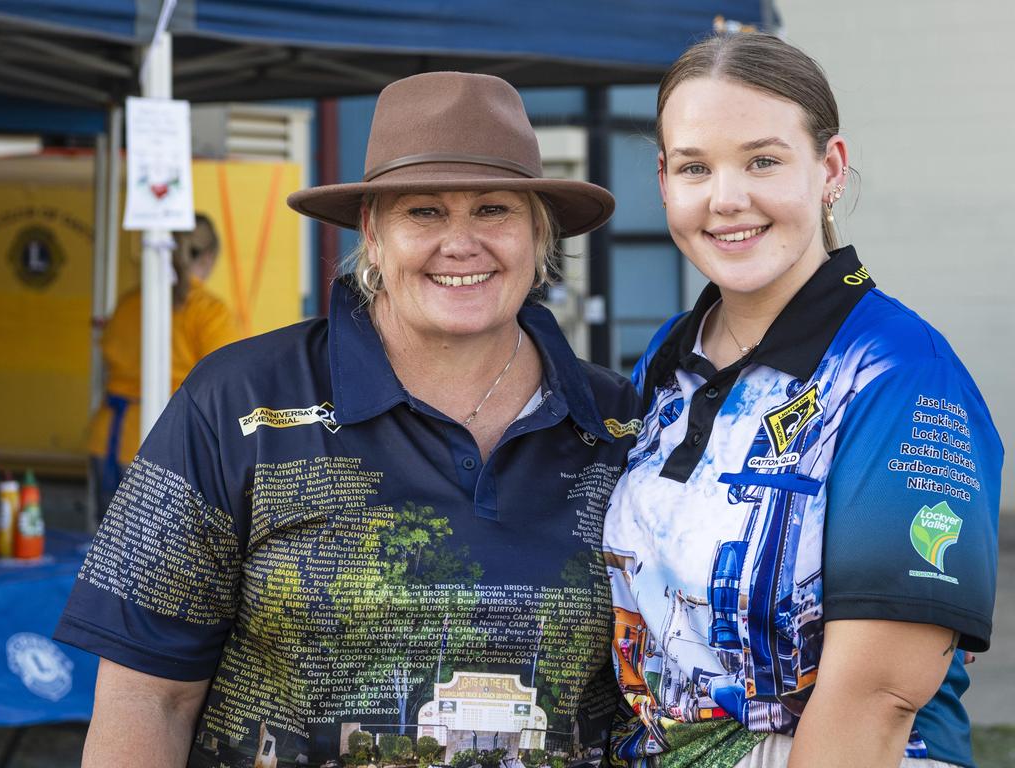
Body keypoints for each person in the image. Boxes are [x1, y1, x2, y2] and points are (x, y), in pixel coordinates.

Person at [57, 72, 642, 768]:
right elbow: (146, 699)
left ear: (538, 233)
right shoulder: (238, 402)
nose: (461, 243)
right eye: (424, 212)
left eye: (493, 210)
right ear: (372, 231)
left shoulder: (626, 427)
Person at [603, 33, 1001, 768]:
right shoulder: (669, 354)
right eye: (696, 167)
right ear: (664, 181)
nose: (727, 199)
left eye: (763, 160)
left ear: (830, 170)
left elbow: (876, 702)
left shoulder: (899, 374)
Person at [86, 213, 240, 515]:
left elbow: (108, 364)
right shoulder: (210, 313)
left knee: (106, 556)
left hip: (108, 442)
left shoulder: (130, 303)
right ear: (208, 257)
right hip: (168, 449)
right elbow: (227, 389)